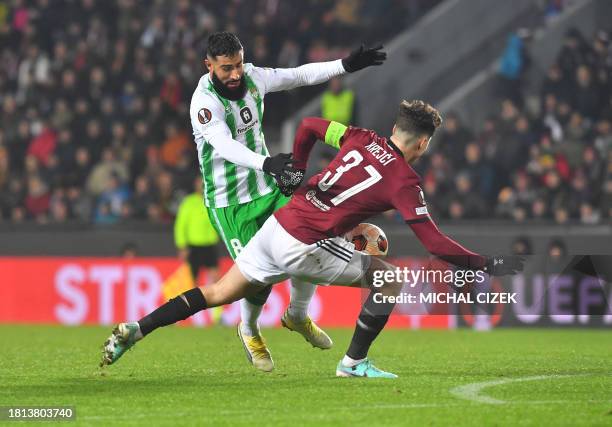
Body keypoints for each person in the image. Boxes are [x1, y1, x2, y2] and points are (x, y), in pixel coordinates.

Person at [101, 100, 524, 377]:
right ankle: (353, 362)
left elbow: (307, 125)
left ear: (395, 128)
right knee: (389, 279)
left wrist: (297, 170)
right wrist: (488, 264)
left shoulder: (359, 137)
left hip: (279, 224)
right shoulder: (405, 182)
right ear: (424, 143)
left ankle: (135, 330)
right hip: (304, 242)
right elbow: (434, 243)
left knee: (216, 292)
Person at [189, 32, 386, 371]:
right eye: (226, 69)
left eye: (238, 64)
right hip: (230, 202)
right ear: (209, 66)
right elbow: (224, 146)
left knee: (310, 237)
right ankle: (249, 329)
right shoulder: (204, 103)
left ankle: (297, 314)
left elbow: (298, 75)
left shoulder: (254, 78)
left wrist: (345, 65)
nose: (235, 74)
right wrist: (266, 163)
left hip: (267, 189)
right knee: (256, 276)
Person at [174, 177, 220, 284]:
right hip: (193, 246)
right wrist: (182, 245)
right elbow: (180, 225)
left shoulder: (212, 200)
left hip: (210, 244)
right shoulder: (189, 202)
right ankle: (196, 300)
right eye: (200, 183)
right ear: (195, 184)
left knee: (215, 278)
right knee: (192, 280)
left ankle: (213, 300)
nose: (202, 185)